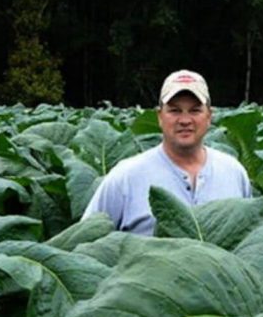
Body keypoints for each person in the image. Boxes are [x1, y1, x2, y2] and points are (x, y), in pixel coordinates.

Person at [81, 69, 252, 235]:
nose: (185, 120)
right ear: (159, 116)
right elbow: (87, 241)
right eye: (175, 110)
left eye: (195, 110)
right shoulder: (125, 177)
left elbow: (248, 243)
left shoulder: (234, 173)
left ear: (209, 116)